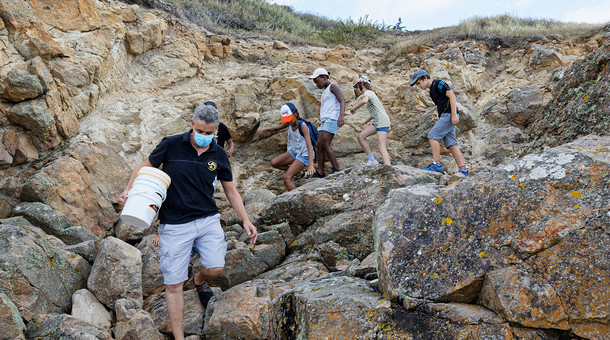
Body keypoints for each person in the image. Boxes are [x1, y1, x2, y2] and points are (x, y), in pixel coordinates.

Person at [117, 104, 257, 340]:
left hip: (208, 220)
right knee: (173, 285)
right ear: (192, 124)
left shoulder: (219, 154)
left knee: (216, 267)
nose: (204, 137)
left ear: (216, 131)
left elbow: (231, 191)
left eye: (209, 133)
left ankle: (199, 279)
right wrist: (128, 189)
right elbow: (145, 166)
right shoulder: (171, 144)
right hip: (174, 225)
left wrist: (246, 220)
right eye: (200, 131)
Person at [410, 69, 469, 175]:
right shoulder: (431, 90)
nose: (418, 86)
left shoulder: (438, 83)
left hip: (449, 115)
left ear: (425, 78)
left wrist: (454, 115)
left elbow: (452, 96)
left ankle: (436, 164)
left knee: (432, 136)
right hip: (445, 115)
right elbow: (441, 102)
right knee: (451, 144)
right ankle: (463, 169)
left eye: (419, 83)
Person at [257, 103, 316, 190]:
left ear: (295, 114)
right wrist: (265, 129)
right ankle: (299, 173)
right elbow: (277, 128)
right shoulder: (288, 124)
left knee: (287, 178)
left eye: (289, 119)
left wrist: (311, 165)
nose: (288, 122)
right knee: (274, 163)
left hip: (304, 154)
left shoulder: (303, 126)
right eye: (286, 120)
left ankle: (296, 199)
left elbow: (309, 146)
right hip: (295, 151)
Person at [308, 67, 345, 178]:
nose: (316, 84)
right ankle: (320, 171)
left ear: (324, 77)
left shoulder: (333, 86)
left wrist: (341, 116)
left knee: (325, 143)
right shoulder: (325, 90)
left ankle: (336, 169)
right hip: (325, 120)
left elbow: (342, 100)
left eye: (317, 81)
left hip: (332, 118)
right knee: (319, 144)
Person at [349, 75, 391, 165]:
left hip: (381, 121)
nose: (356, 89)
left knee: (381, 146)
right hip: (377, 121)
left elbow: (364, 101)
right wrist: (364, 122)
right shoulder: (371, 94)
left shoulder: (369, 93)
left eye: (357, 86)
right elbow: (376, 112)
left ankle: (389, 167)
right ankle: (371, 160)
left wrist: (354, 108)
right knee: (360, 136)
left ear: (362, 84)